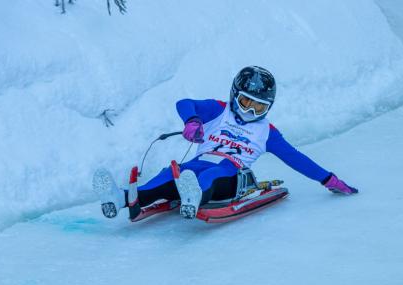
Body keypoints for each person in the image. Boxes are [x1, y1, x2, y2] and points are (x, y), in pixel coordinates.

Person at [93, 65, 358, 219]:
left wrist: (328, 179)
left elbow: (296, 158)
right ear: (234, 96)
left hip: (230, 175)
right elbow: (184, 103)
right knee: (173, 173)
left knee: (213, 172)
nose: (250, 111)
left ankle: (194, 194)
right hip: (196, 164)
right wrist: (193, 121)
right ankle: (122, 198)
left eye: (258, 106)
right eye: (245, 102)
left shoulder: (267, 132)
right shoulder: (219, 111)